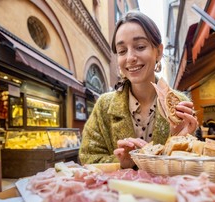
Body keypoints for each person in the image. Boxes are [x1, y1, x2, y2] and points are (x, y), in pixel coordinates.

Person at [79, 11, 198, 168]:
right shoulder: (104, 106)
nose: (130, 58)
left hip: (166, 192)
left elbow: (192, 165)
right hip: (117, 192)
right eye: (122, 51)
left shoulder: (180, 104)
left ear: (159, 52)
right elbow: (88, 158)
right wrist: (122, 163)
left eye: (140, 47)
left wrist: (178, 141)